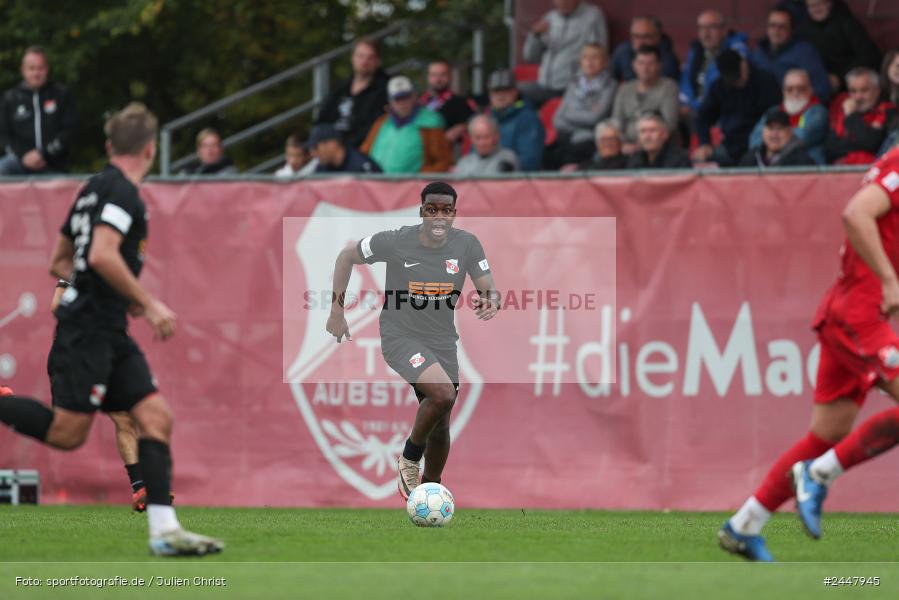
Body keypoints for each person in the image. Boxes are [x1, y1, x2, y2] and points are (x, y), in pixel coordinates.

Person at [0, 103, 222, 556]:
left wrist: (103, 293)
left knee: (155, 417)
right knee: (68, 434)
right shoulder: (122, 193)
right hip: (87, 330)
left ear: (107, 146)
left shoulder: (91, 189)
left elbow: (59, 261)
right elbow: (101, 253)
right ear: (149, 148)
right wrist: (148, 302)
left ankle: (165, 532)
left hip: (106, 327)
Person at [718, 147, 899, 562]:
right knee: (824, 450)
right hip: (859, 313)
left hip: (848, 310)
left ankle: (744, 524)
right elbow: (855, 214)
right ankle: (819, 474)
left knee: (828, 433)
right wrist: (889, 281)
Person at [326, 181, 499, 499]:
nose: (439, 217)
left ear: (454, 214)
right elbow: (345, 256)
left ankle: (429, 493)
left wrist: (490, 299)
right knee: (444, 394)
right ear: (422, 211)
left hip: (443, 340)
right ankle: (409, 458)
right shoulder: (396, 241)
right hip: (400, 336)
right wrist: (337, 311)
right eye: (432, 209)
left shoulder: (467, 245)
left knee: (441, 423)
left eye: (446, 210)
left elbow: (489, 285)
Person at [694, 50, 782, 167]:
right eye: (733, 80)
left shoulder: (765, 81)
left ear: (744, 64)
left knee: (749, 161)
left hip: (760, 145)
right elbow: (703, 116)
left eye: (739, 77)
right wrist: (705, 143)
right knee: (698, 161)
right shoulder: (719, 86)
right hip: (730, 145)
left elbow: (774, 116)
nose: (738, 83)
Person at [0, 46, 77, 175]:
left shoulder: (61, 94)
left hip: (54, 163)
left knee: (63, 183)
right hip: (19, 163)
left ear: (46, 69)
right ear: (23, 70)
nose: (36, 73)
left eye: (40, 68)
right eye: (31, 68)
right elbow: (3, 135)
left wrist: (43, 154)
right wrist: (24, 156)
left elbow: (69, 131)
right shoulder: (10, 98)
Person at [521, 0, 609, 107]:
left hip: (571, 89)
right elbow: (530, 57)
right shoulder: (550, 18)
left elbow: (599, 54)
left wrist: (579, 82)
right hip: (544, 85)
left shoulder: (592, 16)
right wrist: (535, 36)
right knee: (514, 99)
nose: (562, 3)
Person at [361, 76, 451, 174]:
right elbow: (364, 153)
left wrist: (421, 179)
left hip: (413, 186)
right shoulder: (381, 122)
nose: (402, 103)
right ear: (390, 101)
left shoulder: (430, 123)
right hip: (376, 184)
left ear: (414, 96)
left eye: (406, 97)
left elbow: (443, 161)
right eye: (397, 99)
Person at [546, 43, 617, 168]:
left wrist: (568, 114)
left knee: (572, 155)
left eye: (595, 57)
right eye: (585, 57)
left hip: (590, 139)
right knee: (545, 156)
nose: (589, 62)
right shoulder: (573, 84)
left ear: (605, 62)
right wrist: (583, 117)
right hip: (566, 136)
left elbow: (595, 118)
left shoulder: (610, 86)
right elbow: (557, 119)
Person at [316, 39, 389, 149]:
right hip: (329, 149)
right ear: (352, 58)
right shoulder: (340, 88)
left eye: (370, 57)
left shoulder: (385, 90)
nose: (364, 62)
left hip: (360, 151)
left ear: (377, 61)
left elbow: (375, 128)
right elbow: (322, 119)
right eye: (360, 56)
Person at [797, 0, 881, 94]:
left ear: (829, 3)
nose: (816, 9)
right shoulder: (804, 31)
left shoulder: (849, 23)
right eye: (811, 6)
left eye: (819, 4)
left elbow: (868, 56)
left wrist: (840, 77)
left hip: (852, 84)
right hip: (820, 86)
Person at [750, 8, 831, 103]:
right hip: (766, 110)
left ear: (791, 30)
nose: (776, 31)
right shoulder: (758, 53)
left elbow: (822, 89)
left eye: (782, 27)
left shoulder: (805, 52)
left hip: (800, 107)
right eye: (772, 26)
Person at [748, 69, 829, 164]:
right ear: (783, 91)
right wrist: (781, 137)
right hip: (772, 165)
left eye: (801, 88)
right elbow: (754, 140)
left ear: (810, 89)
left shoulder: (818, 111)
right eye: (789, 89)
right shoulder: (774, 111)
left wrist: (771, 140)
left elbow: (803, 136)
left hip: (805, 168)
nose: (795, 93)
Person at [611, 46, 679, 153]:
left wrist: (641, 145)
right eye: (641, 63)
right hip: (626, 145)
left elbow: (670, 124)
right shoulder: (624, 88)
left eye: (650, 63)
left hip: (659, 147)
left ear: (659, 65)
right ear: (634, 65)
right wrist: (622, 143)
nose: (645, 68)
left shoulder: (669, 87)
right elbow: (616, 121)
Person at [679, 11, 749, 114]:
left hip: (720, 113)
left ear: (724, 31)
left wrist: (694, 107)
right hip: (694, 111)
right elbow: (686, 82)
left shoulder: (735, 52)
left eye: (711, 27)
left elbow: (716, 88)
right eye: (701, 28)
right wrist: (685, 103)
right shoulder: (696, 51)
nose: (705, 34)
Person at [825, 68, 897, 165]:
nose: (858, 97)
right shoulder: (842, 109)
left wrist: (851, 115)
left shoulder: (887, 110)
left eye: (864, 90)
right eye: (853, 91)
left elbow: (871, 144)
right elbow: (830, 149)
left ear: (877, 91)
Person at [487, 69, 545, 172]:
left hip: (515, 182)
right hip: (485, 178)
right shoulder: (486, 120)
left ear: (515, 92)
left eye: (505, 90)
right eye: (496, 91)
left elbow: (530, 161)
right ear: (490, 94)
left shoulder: (528, 119)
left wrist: (500, 169)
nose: (500, 96)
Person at [419, 60, 477, 149]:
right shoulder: (420, 102)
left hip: (449, 153)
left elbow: (474, 123)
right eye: (434, 75)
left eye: (442, 75)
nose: (438, 79)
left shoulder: (461, 102)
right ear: (428, 77)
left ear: (450, 77)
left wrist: (460, 128)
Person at [611, 16, 680, 83]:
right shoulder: (623, 51)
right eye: (636, 36)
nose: (641, 42)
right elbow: (612, 78)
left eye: (646, 37)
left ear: (658, 36)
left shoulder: (668, 59)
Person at [739, 107, 815, 167]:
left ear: (790, 132)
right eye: (770, 128)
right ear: (763, 131)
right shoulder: (751, 158)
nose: (774, 134)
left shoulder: (802, 161)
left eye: (780, 128)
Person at [625, 111, 691, 169]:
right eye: (643, 131)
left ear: (664, 134)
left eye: (652, 130)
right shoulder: (635, 159)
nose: (647, 136)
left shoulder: (679, 159)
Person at [310, 123, 381, 174]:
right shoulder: (321, 168)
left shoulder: (361, 166)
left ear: (332, 144)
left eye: (316, 148)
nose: (313, 153)